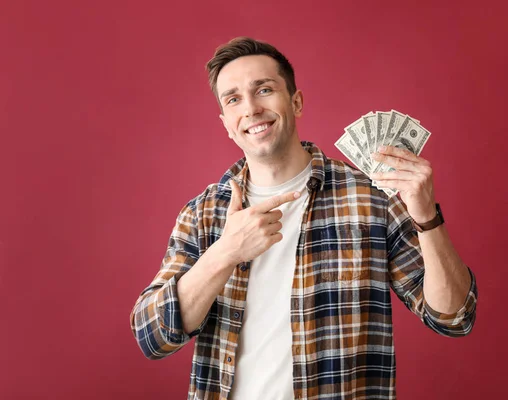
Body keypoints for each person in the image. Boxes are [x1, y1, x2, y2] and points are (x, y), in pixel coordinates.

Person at [130, 37, 477, 400]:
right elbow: (152, 337)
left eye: (263, 89)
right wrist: (225, 252)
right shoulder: (203, 214)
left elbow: (454, 317)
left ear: (295, 102)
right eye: (233, 99)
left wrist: (426, 216)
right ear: (226, 125)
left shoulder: (371, 198)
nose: (250, 108)